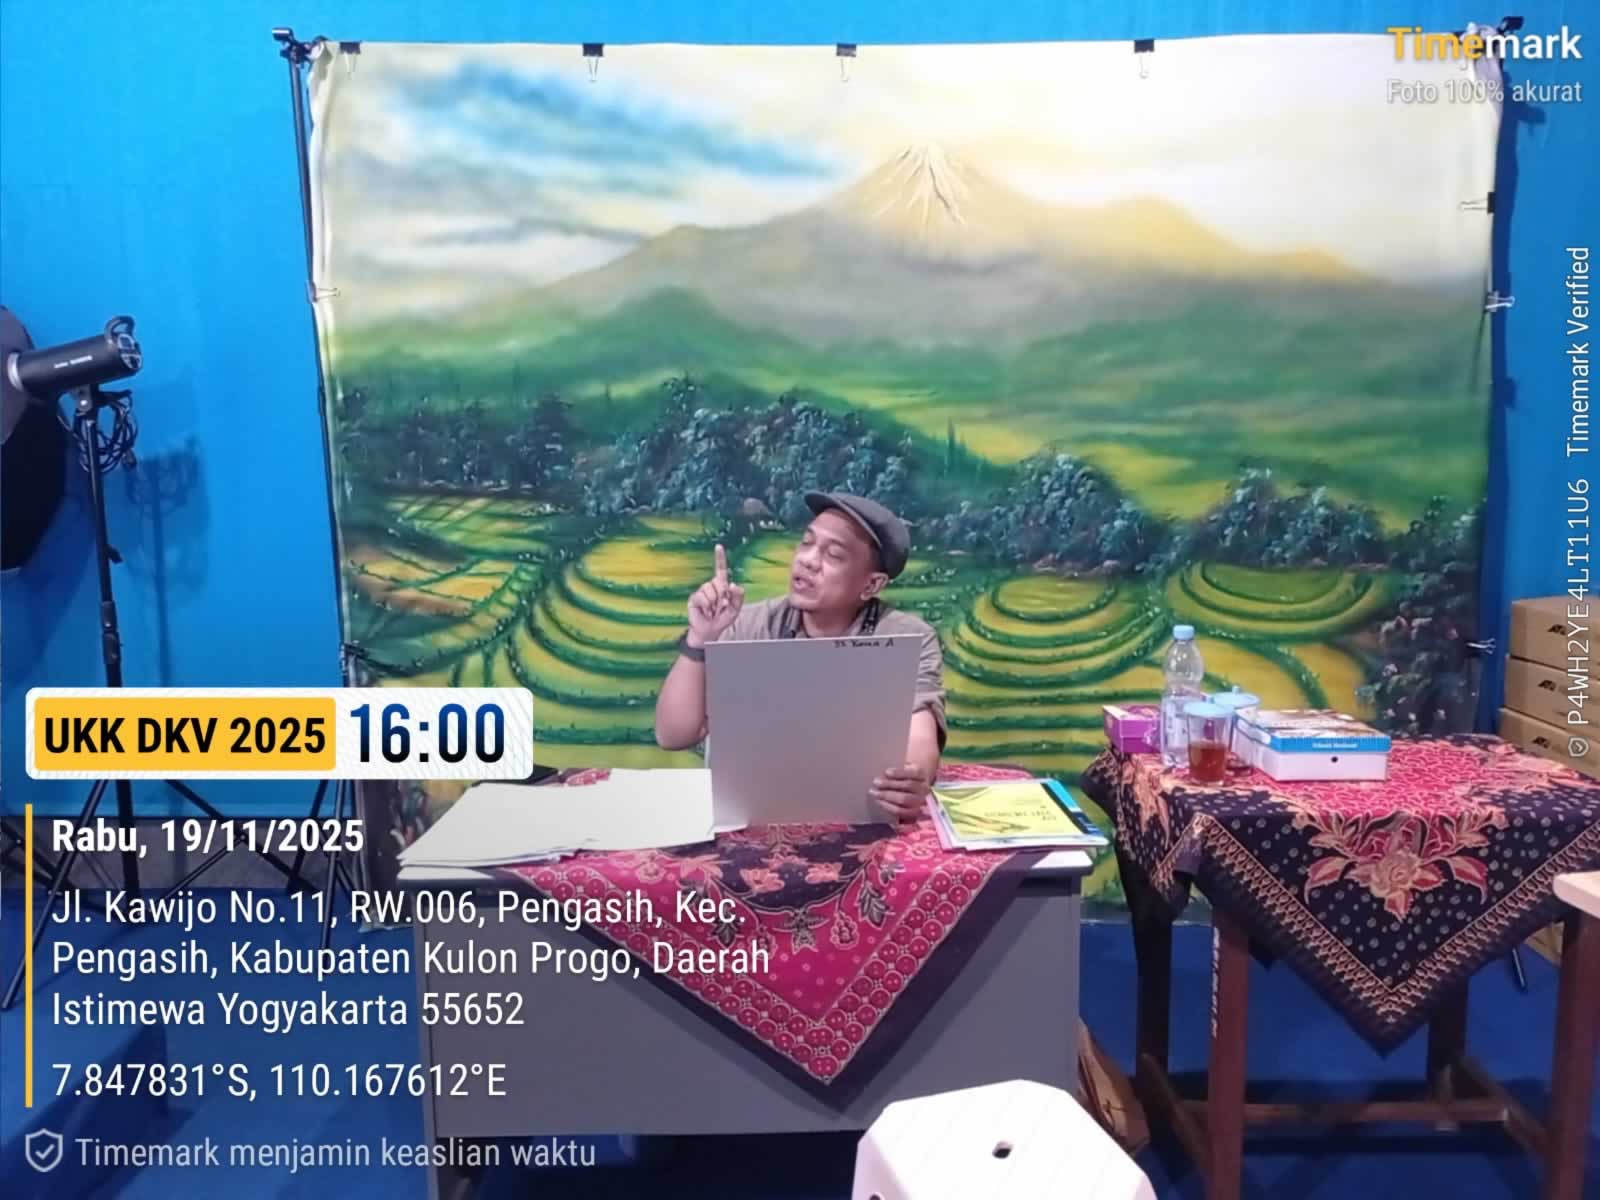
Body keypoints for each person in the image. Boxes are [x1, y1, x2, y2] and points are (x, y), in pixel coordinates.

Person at [654, 492, 946, 824]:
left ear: (871, 584)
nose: (808, 560)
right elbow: (673, 735)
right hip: (751, 817)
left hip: (859, 817)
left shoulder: (908, 637)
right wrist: (700, 638)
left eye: (833, 555)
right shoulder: (748, 625)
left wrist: (909, 779)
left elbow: (920, 736)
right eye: (806, 543)